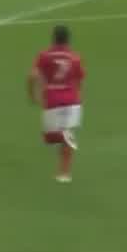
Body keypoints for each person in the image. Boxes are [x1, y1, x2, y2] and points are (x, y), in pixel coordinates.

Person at [28, 25, 84, 184]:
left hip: (52, 100)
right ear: (68, 40)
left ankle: (64, 173)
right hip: (71, 100)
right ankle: (64, 171)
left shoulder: (44, 56)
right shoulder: (75, 57)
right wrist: (78, 96)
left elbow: (32, 76)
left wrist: (32, 95)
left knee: (51, 137)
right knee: (60, 136)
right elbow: (80, 79)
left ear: (53, 38)